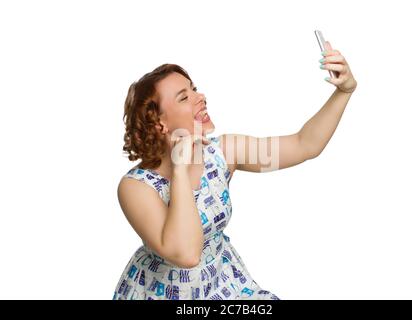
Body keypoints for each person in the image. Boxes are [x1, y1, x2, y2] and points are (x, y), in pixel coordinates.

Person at [113, 46, 357, 300]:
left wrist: (344, 91)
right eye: (184, 97)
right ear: (158, 123)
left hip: (222, 284)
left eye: (194, 89)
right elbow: (186, 254)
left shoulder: (225, 151)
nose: (201, 97)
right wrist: (181, 171)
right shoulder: (135, 187)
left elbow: (304, 145)